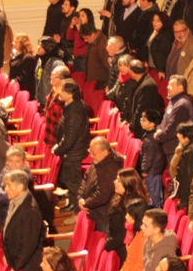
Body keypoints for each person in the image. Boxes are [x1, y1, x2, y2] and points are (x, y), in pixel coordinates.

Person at [2, 170, 45, 271]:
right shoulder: (16, 201)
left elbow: (28, 245)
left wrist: (16, 266)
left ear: (20, 187)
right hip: (18, 265)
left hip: (28, 270)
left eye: (9, 185)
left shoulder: (29, 210)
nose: (5, 189)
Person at [53, 79, 91, 217]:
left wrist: (57, 150)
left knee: (74, 183)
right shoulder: (70, 105)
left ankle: (79, 214)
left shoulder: (75, 110)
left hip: (72, 153)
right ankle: (72, 204)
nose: (59, 93)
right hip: (70, 151)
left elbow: (70, 138)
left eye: (62, 90)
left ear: (70, 94)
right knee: (68, 180)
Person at [78, 138, 125, 233]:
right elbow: (86, 178)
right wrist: (80, 197)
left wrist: (85, 203)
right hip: (93, 209)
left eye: (94, 153)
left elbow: (102, 195)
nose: (91, 156)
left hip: (103, 216)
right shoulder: (99, 160)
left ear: (104, 152)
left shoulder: (112, 168)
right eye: (90, 152)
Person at [106, 169, 149, 262]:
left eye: (118, 180)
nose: (114, 182)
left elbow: (123, 234)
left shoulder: (134, 206)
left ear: (128, 184)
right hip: (115, 246)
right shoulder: (119, 199)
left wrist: (106, 246)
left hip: (125, 251)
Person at [155, 75, 193, 158]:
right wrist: (158, 129)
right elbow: (164, 120)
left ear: (181, 87)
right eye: (168, 84)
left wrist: (158, 136)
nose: (168, 87)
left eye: (171, 85)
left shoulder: (182, 104)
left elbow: (173, 128)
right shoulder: (173, 101)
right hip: (170, 147)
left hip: (177, 150)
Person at [171, 121, 193, 211]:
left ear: (187, 137)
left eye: (180, 133)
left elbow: (189, 179)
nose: (177, 135)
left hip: (191, 199)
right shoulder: (189, 147)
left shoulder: (191, 153)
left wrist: (184, 201)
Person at [129, 59, 164, 139]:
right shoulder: (141, 82)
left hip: (144, 129)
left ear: (132, 72)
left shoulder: (147, 86)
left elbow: (141, 109)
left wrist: (132, 126)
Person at [118, 198, 148, 271]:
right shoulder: (134, 232)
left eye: (129, 214)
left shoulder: (144, 237)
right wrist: (125, 269)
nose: (126, 216)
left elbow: (141, 264)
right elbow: (131, 256)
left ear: (137, 216)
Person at [139, 110, 165, 208]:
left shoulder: (150, 139)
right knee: (154, 190)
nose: (141, 121)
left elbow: (148, 156)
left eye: (144, 120)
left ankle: (157, 210)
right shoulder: (149, 135)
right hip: (153, 169)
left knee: (154, 192)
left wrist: (144, 170)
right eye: (141, 119)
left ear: (152, 124)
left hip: (152, 170)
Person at [35, 36, 66, 111]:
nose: (38, 47)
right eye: (38, 44)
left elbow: (61, 85)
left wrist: (51, 100)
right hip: (41, 101)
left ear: (48, 48)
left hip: (52, 103)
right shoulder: (40, 61)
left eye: (41, 45)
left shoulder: (57, 64)